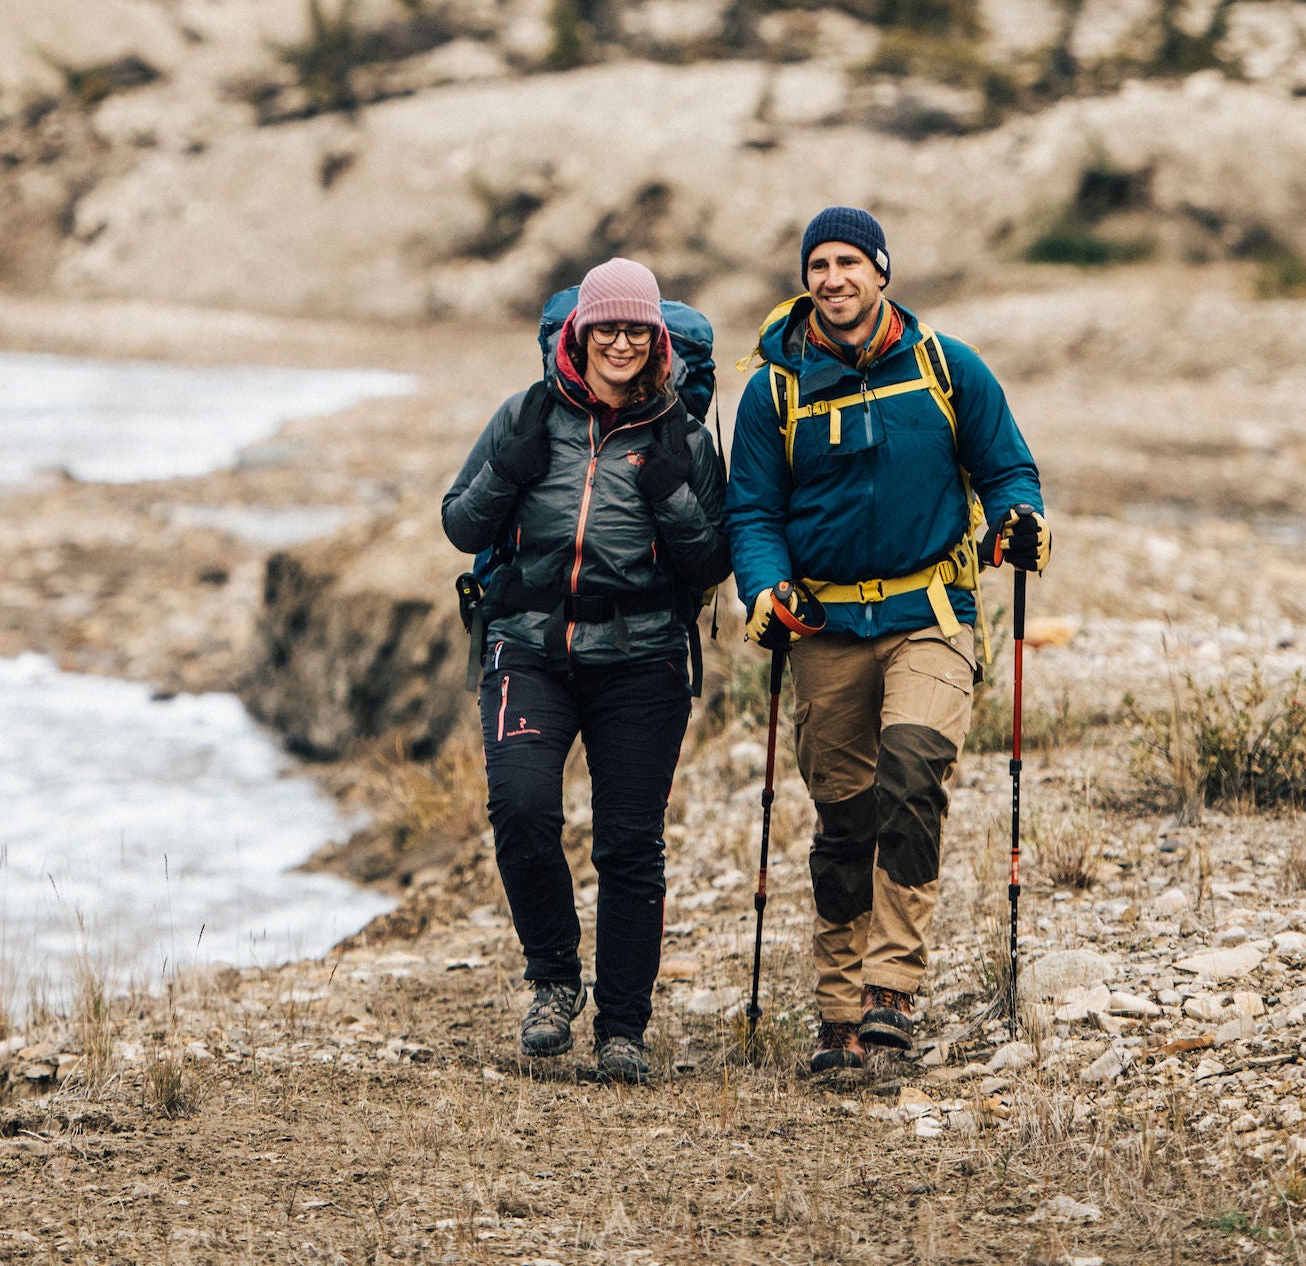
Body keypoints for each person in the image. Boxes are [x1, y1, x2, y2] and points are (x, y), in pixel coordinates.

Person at [725, 206, 1047, 1075]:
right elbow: (751, 513)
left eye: (848, 263)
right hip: (825, 626)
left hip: (931, 616)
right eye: (818, 265)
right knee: (844, 820)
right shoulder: (773, 388)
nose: (832, 279)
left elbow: (1008, 469)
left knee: (911, 777)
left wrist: (1021, 519)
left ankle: (891, 994)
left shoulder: (948, 367)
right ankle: (837, 1013)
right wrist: (763, 587)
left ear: (882, 270)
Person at [440, 256, 730, 1083]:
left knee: (630, 844)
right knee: (522, 810)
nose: (622, 342)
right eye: (607, 326)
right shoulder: (526, 414)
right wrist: (510, 467)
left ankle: (623, 1030)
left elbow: (711, 563)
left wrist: (675, 495)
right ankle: (555, 980)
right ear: (579, 332)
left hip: (641, 662)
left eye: (638, 329)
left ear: (657, 338)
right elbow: (461, 524)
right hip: (528, 646)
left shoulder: (683, 437)